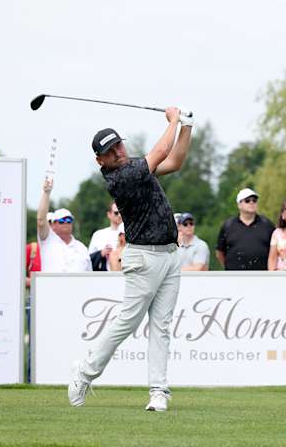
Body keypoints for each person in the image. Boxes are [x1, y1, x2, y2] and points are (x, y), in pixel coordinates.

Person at [69, 107, 193, 412]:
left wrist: (187, 126)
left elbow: (175, 161)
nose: (118, 152)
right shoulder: (120, 177)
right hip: (143, 257)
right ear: (102, 160)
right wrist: (174, 120)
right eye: (111, 151)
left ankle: (158, 392)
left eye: (119, 145)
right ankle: (84, 373)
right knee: (128, 321)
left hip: (169, 254)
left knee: (161, 326)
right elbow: (163, 149)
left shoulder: (136, 166)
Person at [216, 188, 276, 270]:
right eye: (247, 200)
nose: (251, 203)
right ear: (239, 204)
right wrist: (228, 267)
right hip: (235, 276)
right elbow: (220, 252)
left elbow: (275, 250)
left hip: (261, 275)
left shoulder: (267, 224)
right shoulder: (228, 226)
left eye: (254, 200)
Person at [36, 191, 91, 272]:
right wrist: (46, 193)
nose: (66, 222)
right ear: (53, 224)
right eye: (62, 220)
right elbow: (41, 220)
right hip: (51, 285)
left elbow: (90, 276)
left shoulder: (82, 248)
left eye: (69, 220)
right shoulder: (47, 241)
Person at [87, 202, 125, 270]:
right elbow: (88, 260)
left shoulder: (131, 235)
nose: (119, 215)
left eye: (121, 212)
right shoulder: (98, 235)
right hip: (104, 276)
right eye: (116, 213)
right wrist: (101, 253)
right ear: (109, 214)